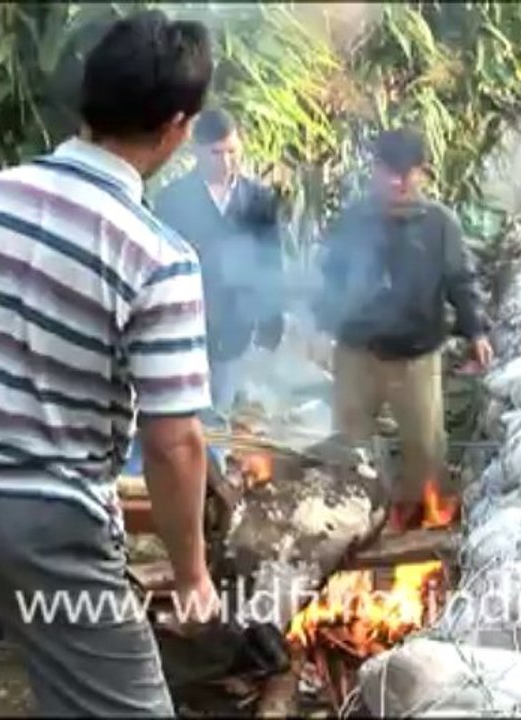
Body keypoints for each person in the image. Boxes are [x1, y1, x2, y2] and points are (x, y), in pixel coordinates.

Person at [0, 10, 219, 716]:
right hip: (49, 526)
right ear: (178, 126)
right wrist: (191, 574)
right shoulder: (157, 258)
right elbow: (173, 442)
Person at [313, 128, 493, 533]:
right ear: (374, 171)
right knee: (347, 448)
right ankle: (346, 529)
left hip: (415, 357)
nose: (395, 182)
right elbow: (331, 278)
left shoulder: (440, 224)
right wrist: (320, 327)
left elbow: (460, 280)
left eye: (405, 173)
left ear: (422, 174)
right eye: (386, 172)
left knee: (426, 452)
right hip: (357, 353)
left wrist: (476, 332)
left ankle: (414, 536)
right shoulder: (354, 218)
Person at [153, 108, 286, 414]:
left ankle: (217, 457)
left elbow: (271, 261)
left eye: (232, 151)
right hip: (186, 323)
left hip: (237, 323)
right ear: (197, 151)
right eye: (216, 153)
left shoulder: (259, 200)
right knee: (185, 412)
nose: (226, 161)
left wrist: (271, 318)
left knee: (223, 412)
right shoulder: (172, 200)